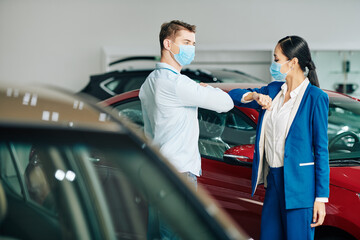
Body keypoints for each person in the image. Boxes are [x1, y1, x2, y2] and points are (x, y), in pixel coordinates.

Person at [139, 20, 234, 239]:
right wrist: (206, 88)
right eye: (186, 42)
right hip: (178, 173)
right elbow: (225, 104)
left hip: (157, 168)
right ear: (168, 43)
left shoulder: (150, 82)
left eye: (193, 43)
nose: (191, 47)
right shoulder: (176, 83)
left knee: (159, 233)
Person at [228, 36, 329, 240]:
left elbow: (321, 150)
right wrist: (255, 96)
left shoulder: (315, 97)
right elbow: (234, 95)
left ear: (293, 62)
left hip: (300, 188)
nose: (273, 64)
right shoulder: (273, 90)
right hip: (273, 182)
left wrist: (321, 198)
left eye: (276, 59)